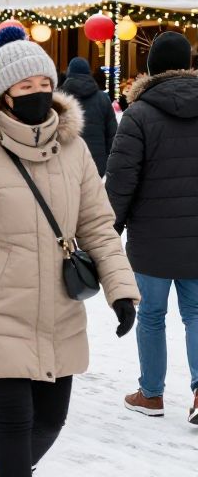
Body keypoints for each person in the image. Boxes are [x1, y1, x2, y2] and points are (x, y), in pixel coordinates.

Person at [0, 25, 138, 477]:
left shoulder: (74, 150)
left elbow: (98, 227)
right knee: (16, 418)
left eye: (44, 84)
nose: (37, 93)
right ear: (5, 94)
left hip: (59, 306)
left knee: (52, 420)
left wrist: (121, 290)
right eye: (26, 86)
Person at [105, 31, 198, 423]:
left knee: (152, 316)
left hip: (151, 239)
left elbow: (121, 179)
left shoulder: (139, 114)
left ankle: (151, 394)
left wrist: (111, 229)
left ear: (149, 68)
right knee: (196, 313)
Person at [58, 57, 117, 177]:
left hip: (66, 163)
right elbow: (113, 135)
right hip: (98, 163)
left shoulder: (59, 99)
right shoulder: (103, 98)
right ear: (89, 73)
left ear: (69, 73)